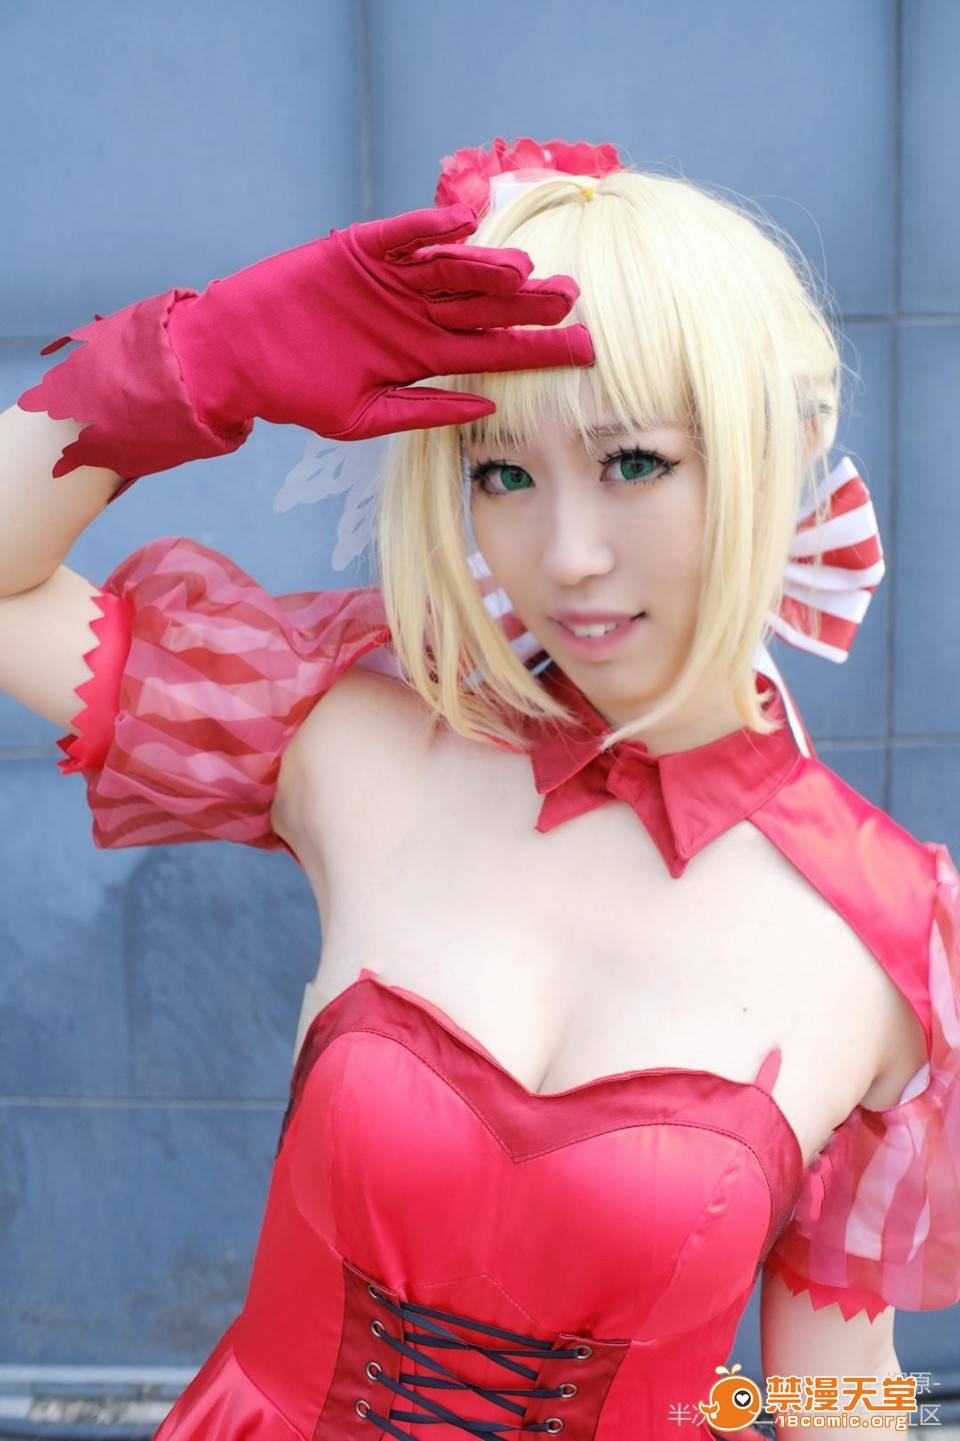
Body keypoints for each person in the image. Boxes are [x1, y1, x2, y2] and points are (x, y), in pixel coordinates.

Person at [1, 133, 956, 1439]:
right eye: (503, 473)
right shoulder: (356, 744)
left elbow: (829, 1399)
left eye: (633, 463)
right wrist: (204, 357)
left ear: (776, 452)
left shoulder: (887, 940)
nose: (566, 555)